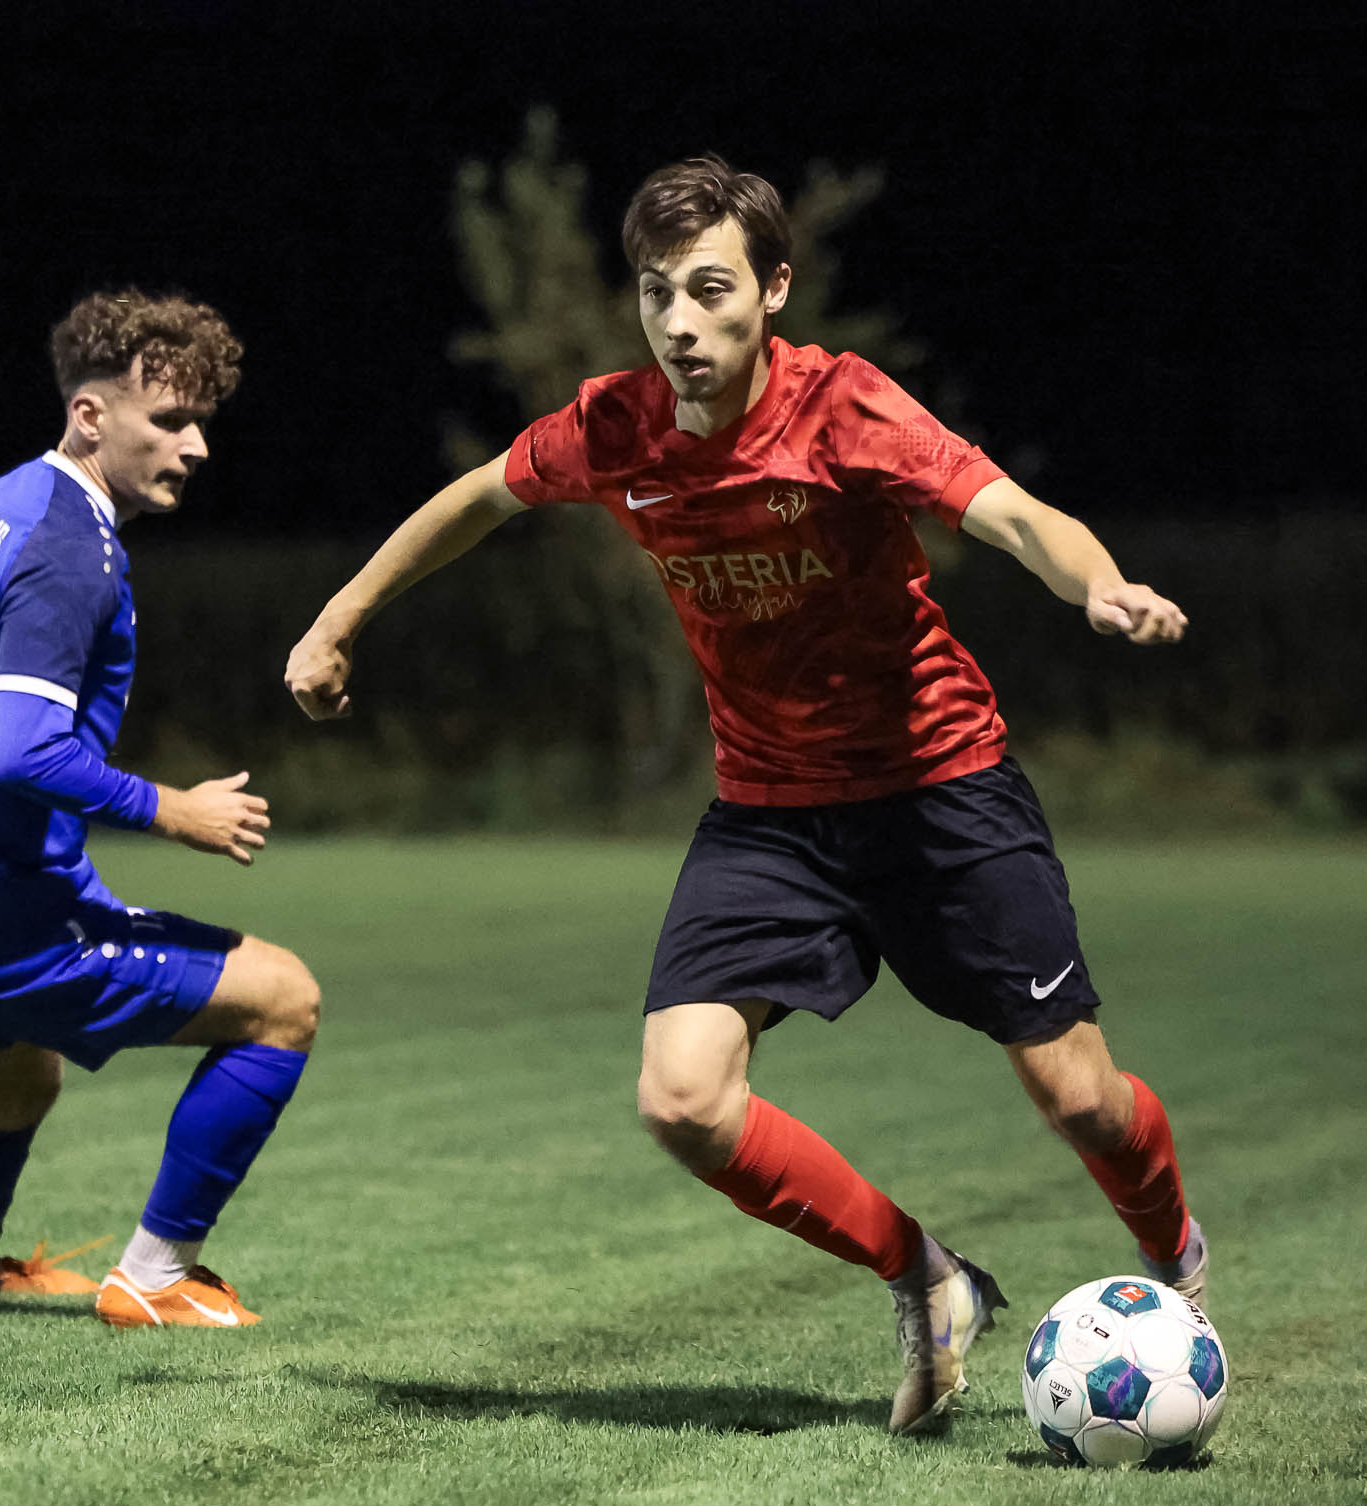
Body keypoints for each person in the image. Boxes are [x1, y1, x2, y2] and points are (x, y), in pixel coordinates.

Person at [284, 157, 1205, 1432]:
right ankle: (925, 1274)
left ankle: (1175, 1265)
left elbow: (1010, 513)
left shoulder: (844, 408)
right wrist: (338, 619)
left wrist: (1094, 582)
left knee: (1079, 1096)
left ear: (771, 290)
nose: (677, 321)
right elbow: (479, 496)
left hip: (939, 789)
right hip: (770, 812)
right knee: (681, 1097)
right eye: (655, 291)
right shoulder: (618, 428)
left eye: (708, 289)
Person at [0, 289, 320, 1328]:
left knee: (15, 1086)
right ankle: (155, 1277)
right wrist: (175, 811)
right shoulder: (71, 548)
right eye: (170, 420)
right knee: (285, 998)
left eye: (202, 422)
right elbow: (25, 751)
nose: (196, 446)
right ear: (90, 416)